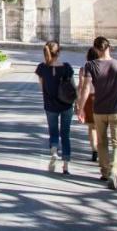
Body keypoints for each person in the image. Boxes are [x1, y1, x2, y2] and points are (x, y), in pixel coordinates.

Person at [76, 36, 117, 190]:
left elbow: (85, 88)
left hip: (99, 110)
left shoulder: (90, 65)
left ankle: (105, 171)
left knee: (102, 142)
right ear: (109, 47)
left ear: (96, 49)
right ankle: (115, 172)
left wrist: (81, 108)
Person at [35, 40, 75, 175]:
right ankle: (66, 166)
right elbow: (73, 87)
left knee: (53, 132)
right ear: (59, 52)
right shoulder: (67, 67)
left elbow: (41, 87)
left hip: (50, 105)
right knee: (65, 134)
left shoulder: (42, 68)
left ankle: (53, 150)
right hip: (66, 105)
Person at [82, 46, 100, 163]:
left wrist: (79, 102)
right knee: (100, 126)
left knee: (91, 127)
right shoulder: (103, 67)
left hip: (90, 98)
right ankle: (100, 148)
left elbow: (82, 86)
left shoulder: (85, 68)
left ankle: (94, 150)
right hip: (102, 98)